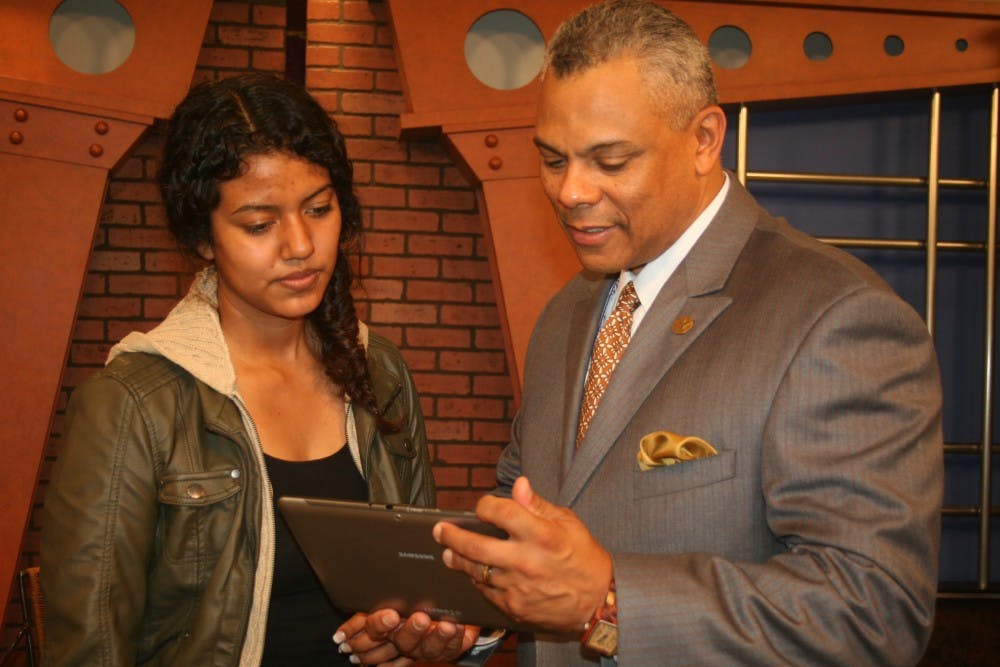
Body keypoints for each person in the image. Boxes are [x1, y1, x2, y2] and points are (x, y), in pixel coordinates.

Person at [336, 0, 943, 665]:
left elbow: (872, 615)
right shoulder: (567, 313)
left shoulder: (836, 317)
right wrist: (461, 621)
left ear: (705, 140)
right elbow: (529, 531)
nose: (570, 191)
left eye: (610, 160)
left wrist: (609, 603)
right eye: (552, 158)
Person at [40, 73, 435, 666]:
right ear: (203, 236)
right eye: (259, 224)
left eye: (319, 209)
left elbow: (420, 581)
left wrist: (419, 637)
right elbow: (90, 645)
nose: (300, 244)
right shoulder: (133, 402)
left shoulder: (377, 371)